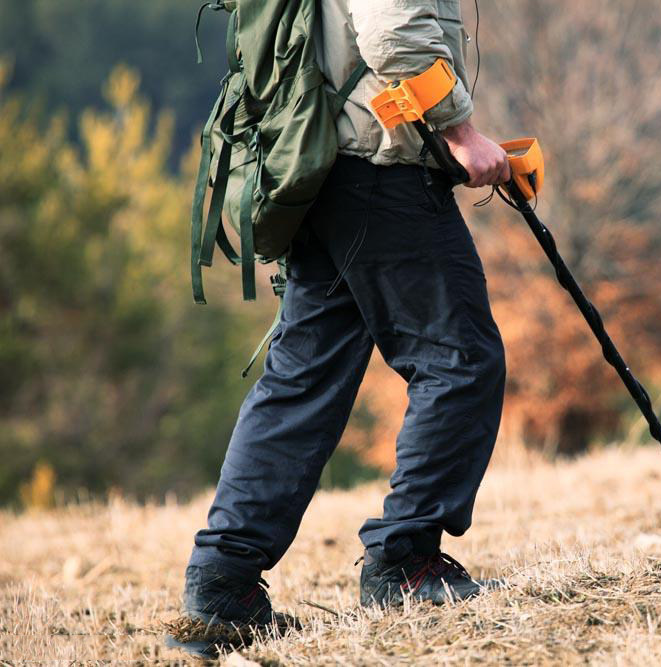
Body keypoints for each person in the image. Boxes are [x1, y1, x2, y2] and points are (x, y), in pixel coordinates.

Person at [169, 0, 510, 651]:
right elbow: (395, 29)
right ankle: (405, 562)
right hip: (378, 167)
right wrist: (462, 133)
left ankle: (223, 583)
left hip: (324, 166)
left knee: (303, 380)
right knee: (459, 359)